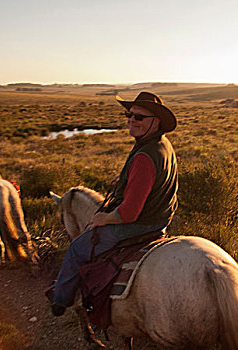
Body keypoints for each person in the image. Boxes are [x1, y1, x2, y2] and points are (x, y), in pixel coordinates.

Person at [48, 91, 178, 316]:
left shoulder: (144, 156)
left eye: (139, 117)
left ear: (155, 122)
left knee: (77, 249)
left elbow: (129, 213)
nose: (131, 120)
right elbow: (153, 180)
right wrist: (126, 180)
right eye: (129, 114)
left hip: (141, 223)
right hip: (161, 218)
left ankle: (61, 300)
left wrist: (104, 218)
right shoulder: (160, 145)